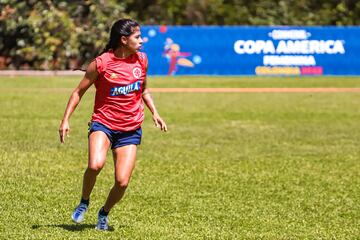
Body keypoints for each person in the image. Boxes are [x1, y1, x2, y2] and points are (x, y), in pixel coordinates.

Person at [58, 18, 167, 231]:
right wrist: (65, 120)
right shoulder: (102, 63)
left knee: (122, 182)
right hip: (103, 123)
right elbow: (78, 92)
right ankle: (84, 202)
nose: (142, 41)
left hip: (131, 128)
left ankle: (103, 213)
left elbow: (143, 90)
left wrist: (155, 113)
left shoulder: (142, 60)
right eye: (138, 37)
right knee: (95, 165)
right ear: (124, 40)